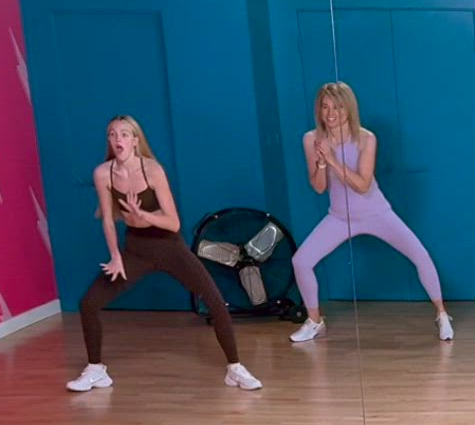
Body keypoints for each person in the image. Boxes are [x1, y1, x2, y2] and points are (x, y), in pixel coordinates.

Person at [67, 116, 263, 393]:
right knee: (88, 303)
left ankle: (235, 368)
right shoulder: (103, 174)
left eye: (124, 134)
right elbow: (108, 221)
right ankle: (96, 370)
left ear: (135, 141)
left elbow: (173, 223)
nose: (117, 139)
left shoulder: (153, 170)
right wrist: (115, 256)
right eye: (112, 134)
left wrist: (143, 214)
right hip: (135, 249)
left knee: (216, 302)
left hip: (168, 246)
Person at [288, 82, 454, 344]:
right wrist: (321, 163)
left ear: (349, 109)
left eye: (338, 107)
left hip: (376, 212)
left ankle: (442, 314)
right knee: (301, 261)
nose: (331, 114)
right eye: (325, 107)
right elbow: (319, 188)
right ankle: (315, 321)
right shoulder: (311, 139)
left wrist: (332, 160)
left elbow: (363, 185)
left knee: (420, 255)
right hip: (339, 217)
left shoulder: (366, 138)